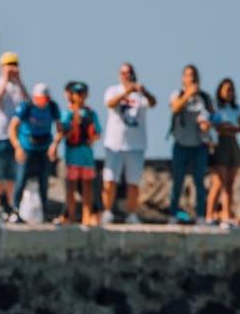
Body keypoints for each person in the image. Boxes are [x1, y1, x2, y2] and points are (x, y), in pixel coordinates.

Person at [101, 64, 154, 225]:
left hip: (135, 145)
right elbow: (110, 104)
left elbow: (153, 102)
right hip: (114, 144)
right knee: (110, 180)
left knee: (133, 182)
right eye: (123, 73)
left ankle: (132, 214)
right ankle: (107, 212)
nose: (126, 75)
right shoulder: (113, 90)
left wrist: (143, 91)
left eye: (129, 73)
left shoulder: (140, 94)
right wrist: (126, 92)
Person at [166, 65, 212, 224]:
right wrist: (187, 95)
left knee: (200, 183)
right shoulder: (177, 94)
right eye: (188, 75)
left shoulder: (204, 97)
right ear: (182, 78)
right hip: (181, 145)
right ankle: (172, 215)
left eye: (193, 75)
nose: (191, 78)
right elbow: (174, 108)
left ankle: (200, 216)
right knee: (177, 182)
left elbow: (211, 116)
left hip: (199, 146)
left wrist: (207, 124)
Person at [9, 82, 59, 222]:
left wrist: (54, 145)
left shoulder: (53, 107)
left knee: (44, 181)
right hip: (27, 147)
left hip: (44, 148)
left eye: (45, 99)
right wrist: (17, 147)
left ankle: (44, 212)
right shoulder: (27, 107)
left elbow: (59, 129)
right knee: (21, 179)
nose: (43, 102)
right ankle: (15, 210)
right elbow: (12, 128)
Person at [0, 52, 27, 217]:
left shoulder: (18, 87)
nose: (12, 68)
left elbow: (28, 105)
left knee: (12, 175)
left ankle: (12, 207)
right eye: (8, 64)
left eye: (14, 64)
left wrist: (19, 82)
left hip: (15, 137)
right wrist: (5, 80)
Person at [54, 81, 101, 226]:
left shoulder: (91, 113)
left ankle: (87, 217)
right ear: (72, 95)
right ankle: (71, 216)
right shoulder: (67, 113)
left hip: (86, 156)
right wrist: (54, 146)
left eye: (82, 93)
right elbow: (61, 132)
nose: (80, 96)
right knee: (71, 187)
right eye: (77, 93)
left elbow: (97, 133)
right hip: (72, 156)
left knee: (87, 187)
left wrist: (92, 137)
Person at [205, 77, 240, 226]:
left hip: (233, 143)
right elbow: (213, 125)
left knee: (229, 182)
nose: (229, 93)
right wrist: (223, 127)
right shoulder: (215, 108)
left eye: (231, 90)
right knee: (219, 181)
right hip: (220, 144)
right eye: (226, 90)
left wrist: (231, 128)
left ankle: (226, 214)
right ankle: (209, 215)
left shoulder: (236, 108)